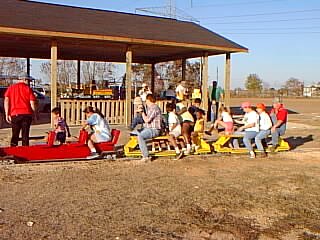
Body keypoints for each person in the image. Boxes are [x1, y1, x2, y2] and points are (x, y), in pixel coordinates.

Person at [4, 73, 36, 146]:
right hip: (26, 114)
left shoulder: (11, 88)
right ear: (24, 79)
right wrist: (34, 113)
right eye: (28, 80)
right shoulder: (28, 89)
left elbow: (6, 101)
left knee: (15, 134)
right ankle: (25, 151)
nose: (29, 82)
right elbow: (32, 103)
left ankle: (13, 150)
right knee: (25, 135)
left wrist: (7, 114)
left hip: (14, 114)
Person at [131, 94, 162, 162]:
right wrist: (139, 113)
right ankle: (138, 147)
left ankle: (146, 156)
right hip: (148, 128)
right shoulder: (150, 108)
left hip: (154, 129)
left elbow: (147, 120)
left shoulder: (154, 108)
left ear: (149, 100)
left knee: (140, 136)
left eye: (146, 100)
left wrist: (142, 113)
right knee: (133, 133)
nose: (145, 102)